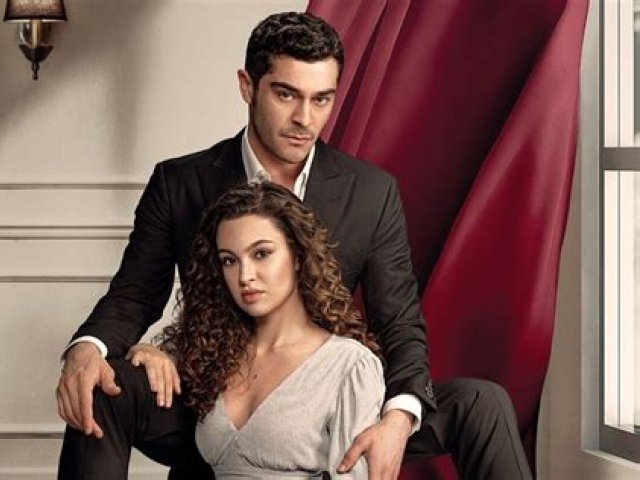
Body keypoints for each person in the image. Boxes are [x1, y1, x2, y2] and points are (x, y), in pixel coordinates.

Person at [56, 11, 532, 480]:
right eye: (286, 95)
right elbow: (134, 294)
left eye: (321, 99)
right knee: (98, 386)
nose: (305, 119)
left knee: (480, 402)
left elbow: (399, 323)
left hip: (327, 403)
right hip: (216, 397)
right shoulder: (181, 183)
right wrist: (88, 349)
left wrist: (398, 417)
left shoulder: (370, 192)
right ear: (248, 86)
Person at [127, 181, 386, 478]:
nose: (244, 276)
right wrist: (147, 350)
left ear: (298, 256)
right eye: (229, 260)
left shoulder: (349, 364)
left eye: (261, 254)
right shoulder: (213, 350)